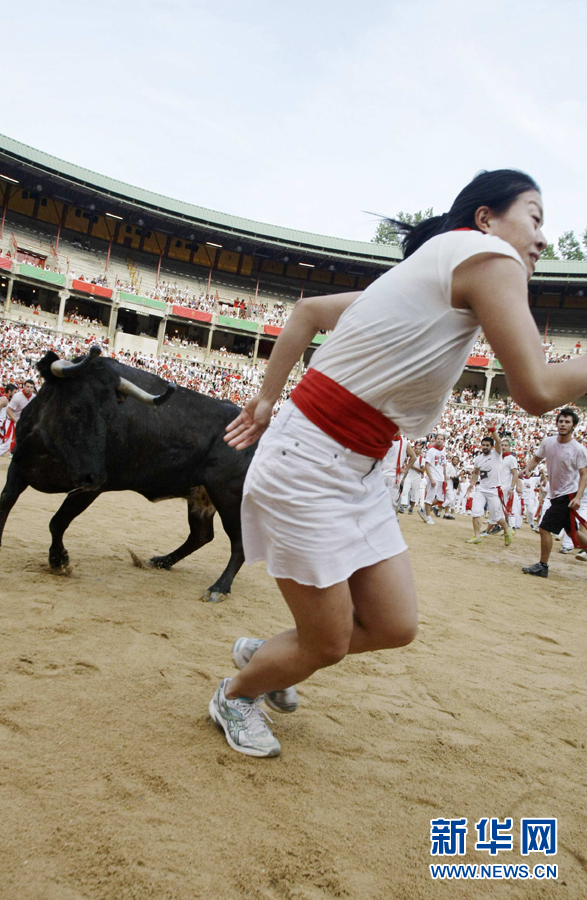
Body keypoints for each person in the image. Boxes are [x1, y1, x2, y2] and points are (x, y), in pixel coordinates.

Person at [209, 168, 587, 759]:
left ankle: (271, 656)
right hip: (309, 462)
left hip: (355, 468)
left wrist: (266, 398)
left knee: (392, 625)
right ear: (486, 219)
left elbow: (306, 311)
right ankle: (235, 694)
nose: (541, 239)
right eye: (534, 218)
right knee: (330, 641)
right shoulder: (489, 256)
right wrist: (264, 400)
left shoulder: (424, 276)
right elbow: (536, 389)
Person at [521, 408, 587, 577]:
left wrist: (578, 496)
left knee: (544, 527)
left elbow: (584, 474)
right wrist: (528, 469)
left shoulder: (578, 449)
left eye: (567, 422)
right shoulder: (548, 442)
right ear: (556, 423)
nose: (563, 424)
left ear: (574, 426)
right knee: (573, 532)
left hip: (568, 495)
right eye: (561, 421)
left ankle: (543, 566)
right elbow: (537, 458)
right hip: (557, 494)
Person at [465, 425, 514, 545]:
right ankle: (477, 536)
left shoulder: (496, 454)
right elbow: (476, 473)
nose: (485, 447)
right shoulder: (478, 459)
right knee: (476, 512)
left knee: (496, 517)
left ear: (492, 447)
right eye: (483, 445)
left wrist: (492, 430)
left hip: (494, 489)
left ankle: (508, 530)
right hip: (481, 488)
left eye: (487, 445)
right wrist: (472, 484)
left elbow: (498, 440)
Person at [0, 381, 35, 468]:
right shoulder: (17, 396)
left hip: (22, 422)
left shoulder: (34, 397)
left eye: (31, 387)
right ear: (24, 386)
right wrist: (17, 421)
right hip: (12, 421)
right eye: (28, 386)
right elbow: (8, 411)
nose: (29, 389)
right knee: (7, 445)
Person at [381, 435, 416, 511]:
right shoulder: (384, 438)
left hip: (394, 476)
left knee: (392, 501)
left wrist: (406, 469)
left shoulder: (404, 443)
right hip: (381, 474)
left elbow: (413, 457)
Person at [420, 433, 447, 524]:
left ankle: (423, 510)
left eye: (441, 439)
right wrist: (431, 478)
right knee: (430, 497)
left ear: (443, 441)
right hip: (433, 476)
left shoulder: (443, 450)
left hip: (441, 477)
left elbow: (444, 465)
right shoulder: (431, 451)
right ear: (435, 439)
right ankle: (427, 516)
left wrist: (445, 477)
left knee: (441, 498)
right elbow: (427, 465)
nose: (439, 440)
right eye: (438, 438)